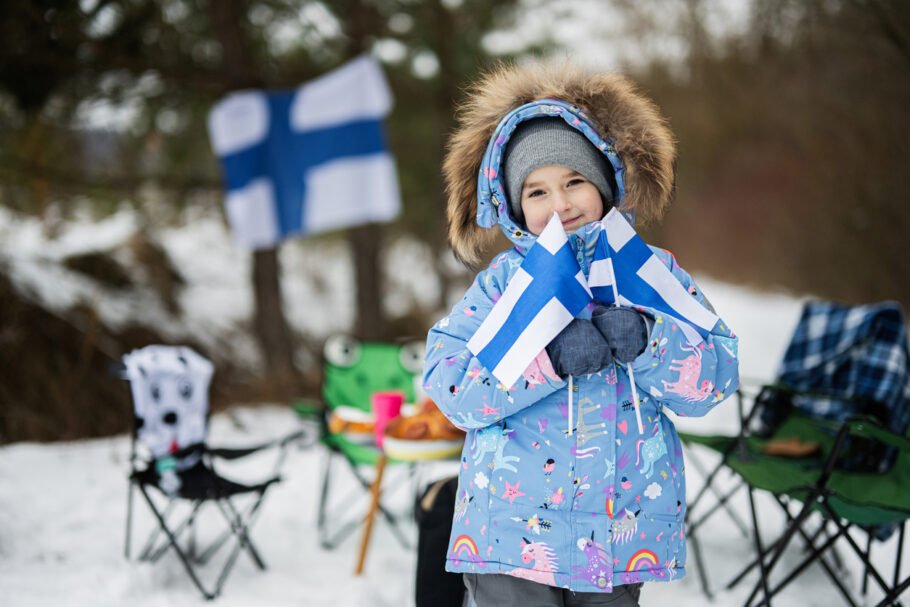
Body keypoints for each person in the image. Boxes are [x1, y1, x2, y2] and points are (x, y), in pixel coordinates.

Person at [422, 61, 740, 607]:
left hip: (618, 538)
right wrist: (546, 356)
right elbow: (451, 387)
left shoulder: (648, 274)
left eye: (574, 182)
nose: (560, 204)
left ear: (605, 182)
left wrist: (648, 338)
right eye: (538, 191)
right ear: (515, 203)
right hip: (512, 537)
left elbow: (714, 377)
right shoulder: (504, 285)